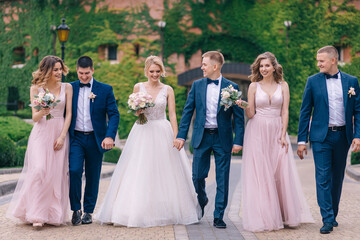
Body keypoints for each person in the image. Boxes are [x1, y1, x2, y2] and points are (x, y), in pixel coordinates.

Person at [95, 56, 200, 227]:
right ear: (147, 71)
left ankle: (164, 209)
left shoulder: (168, 89)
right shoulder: (138, 87)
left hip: (162, 130)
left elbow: (172, 114)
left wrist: (176, 135)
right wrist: (139, 110)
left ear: (162, 71)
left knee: (164, 171)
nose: (155, 74)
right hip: (142, 131)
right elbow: (135, 112)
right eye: (152, 71)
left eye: (158, 71)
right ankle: (133, 211)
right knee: (139, 169)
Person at [236, 52, 314, 232]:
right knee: (262, 174)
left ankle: (285, 214)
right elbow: (251, 114)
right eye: (261, 66)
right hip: (257, 131)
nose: (263, 69)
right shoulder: (254, 86)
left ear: (274, 67)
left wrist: (283, 134)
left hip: (277, 130)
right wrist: (244, 106)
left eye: (267, 66)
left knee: (280, 172)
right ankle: (265, 217)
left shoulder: (283, 85)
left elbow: (285, 111)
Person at [173, 51, 244, 229]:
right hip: (201, 137)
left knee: (222, 178)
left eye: (204, 64)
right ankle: (202, 198)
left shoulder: (232, 87)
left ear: (215, 66)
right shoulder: (196, 86)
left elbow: (239, 117)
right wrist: (181, 135)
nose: (201, 67)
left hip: (223, 138)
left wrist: (238, 140)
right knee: (197, 176)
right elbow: (188, 112)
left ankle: (219, 215)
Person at [297, 46, 360, 234]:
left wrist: (358, 135)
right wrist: (302, 140)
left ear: (333, 60)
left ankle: (333, 212)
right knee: (323, 177)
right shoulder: (312, 82)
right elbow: (305, 111)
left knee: (337, 177)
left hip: (343, 136)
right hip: (320, 137)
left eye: (321, 61)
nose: (318, 64)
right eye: (317, 60)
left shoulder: (352, 81)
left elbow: (358, 110)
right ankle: (327, 218)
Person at [6, 55, 73, 228]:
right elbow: (35, 118)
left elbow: (69, 114)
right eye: (55, 70)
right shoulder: (36, 89)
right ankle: (35, 214)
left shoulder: (67, 88)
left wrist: (62, 136)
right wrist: (43, 110)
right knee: (39, 170)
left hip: (59, 132)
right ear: (47, 71)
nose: (59, 72)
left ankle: (50, 214)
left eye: (60, 69)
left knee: (55, 174)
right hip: (41, 133)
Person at [69, 56, 120, 226]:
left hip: (96, 139)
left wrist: (109, 136)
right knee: (74, 171)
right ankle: (76, 209)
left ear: (92, 70)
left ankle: (88, 211)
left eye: (87, 73)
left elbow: (114, 114)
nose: (83, 76)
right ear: (77, 70)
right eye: (81, 73)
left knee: (93, 175)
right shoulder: (70, 88)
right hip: (75, 137)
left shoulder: (105, 89)